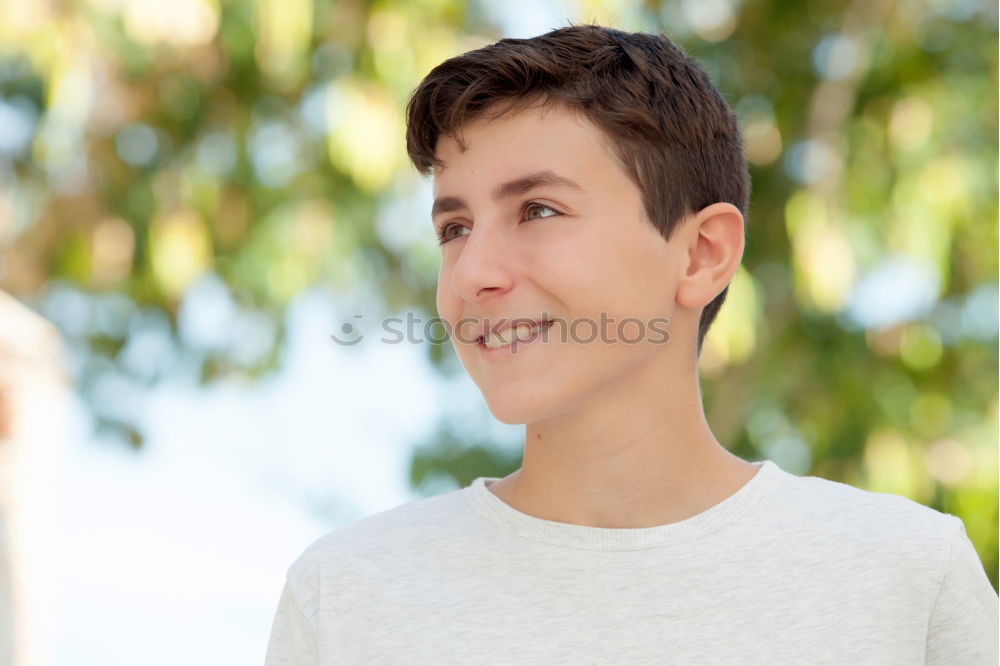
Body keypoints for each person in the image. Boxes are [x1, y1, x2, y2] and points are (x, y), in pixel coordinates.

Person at [264, 24, 998, 665]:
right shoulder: (350, 596)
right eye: (454, 228)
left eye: (538, 210)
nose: (473, 274)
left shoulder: (906, 578)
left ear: (702, 254)